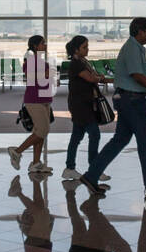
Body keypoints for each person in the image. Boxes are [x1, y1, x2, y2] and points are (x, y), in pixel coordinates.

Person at [80, 17, 146, 198]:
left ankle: (91, 176)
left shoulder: (136, 48)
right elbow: (137, 75)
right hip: (132, 101)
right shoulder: (132, 48)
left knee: (120, 140)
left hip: (128, 99)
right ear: (139, 31)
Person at [61, 34, 113, 183]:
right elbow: (91, 78)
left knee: (76, 136)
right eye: (84, 47)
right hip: (81, 105)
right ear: (76, 50)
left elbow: (94, 76)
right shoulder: (76, 64)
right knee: (94, 134)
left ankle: (70, 168)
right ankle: (94, 169)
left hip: (85, 104)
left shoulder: (83, 61)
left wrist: (101, 78)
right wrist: (100, 78)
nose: (87, 49)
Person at [8, 34, 58, 176]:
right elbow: (32, 77)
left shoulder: (42, 60)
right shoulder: (30, 60)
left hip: (45, 99)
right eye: (43, 43)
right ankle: (17, 151)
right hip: (34, 100)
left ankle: (36, 163)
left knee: (40, 132)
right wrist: (47, 74)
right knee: (43, 130)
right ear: (35, 46)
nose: (45, 45)